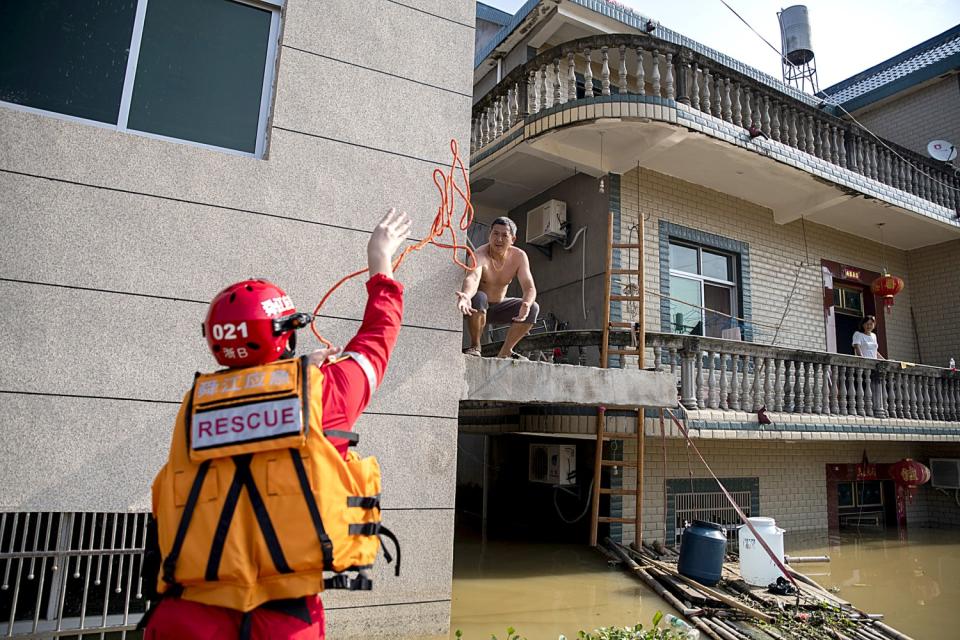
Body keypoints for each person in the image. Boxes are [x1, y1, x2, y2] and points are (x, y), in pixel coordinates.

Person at [141, 208, 411, 640]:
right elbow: (379, 338)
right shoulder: (324, 392)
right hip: (282, 621)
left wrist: (299, 369)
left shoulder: (194, 406)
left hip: (183, 615)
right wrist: (381, 260)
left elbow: (247, 412)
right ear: (286, 333)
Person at [457, 217, 539, 359]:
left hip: (500, 307)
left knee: (533, 308)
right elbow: (473, 278)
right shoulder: (479, 254)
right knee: (479, 297)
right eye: (495, 233)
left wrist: (526, 303)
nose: (498, 239)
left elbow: (529, 287)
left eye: (504, 235)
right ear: (490, 234)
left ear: (512, 239)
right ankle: (475, 345)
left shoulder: (519, 256)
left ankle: (506, 351)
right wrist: (466, 295)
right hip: (476, 308)